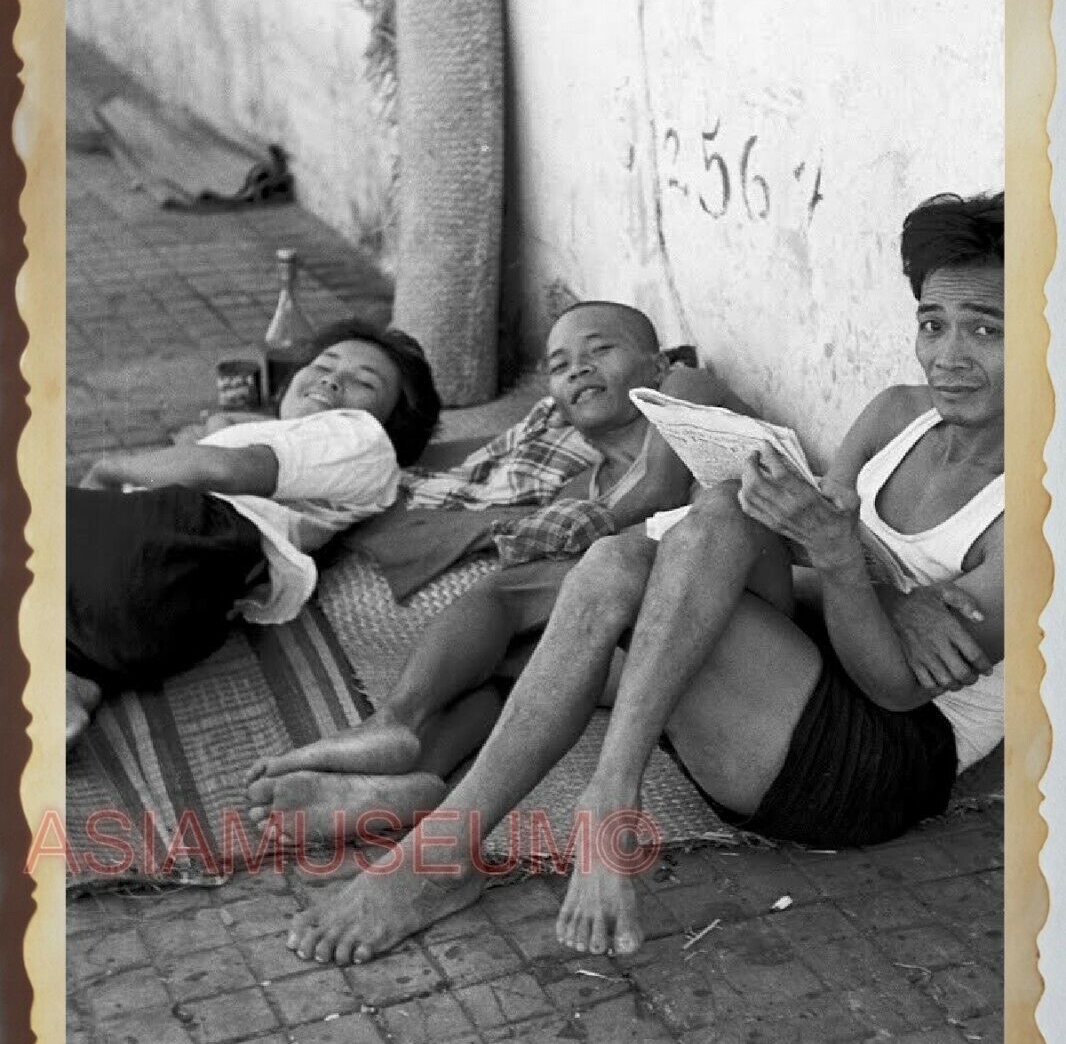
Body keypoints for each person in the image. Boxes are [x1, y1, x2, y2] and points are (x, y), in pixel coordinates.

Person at [282, 191, 1005, 967]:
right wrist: (884, 592)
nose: (948, 356)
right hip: (804, 675)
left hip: (872, 762)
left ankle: (573, 796)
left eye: (987, 329)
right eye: (934, 323)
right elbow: (811, 553)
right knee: (635, 553)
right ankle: (476, 830)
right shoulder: (899, 413)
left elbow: (897, 687)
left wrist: (839, 564)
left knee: (647, 577)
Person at [245, 301, 734, 839]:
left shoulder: (687, 388)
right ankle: (421, 775)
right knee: (507, 664)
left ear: (657, 363)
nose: (579, 369)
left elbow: (662, 486)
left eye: (601, 349)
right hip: (659, 649)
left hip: (734, 614)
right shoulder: (582, 486)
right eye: (560, 365)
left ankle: (396, 721)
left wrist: (592, 523)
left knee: (503, 595)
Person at [66, 319, 441, 749]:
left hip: (174, 537)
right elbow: (239, 443)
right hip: (173, 612)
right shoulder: (302, 442)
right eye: (324, 364)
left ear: (393, 424)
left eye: (364, 382)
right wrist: (224, 425)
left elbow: (224, 469)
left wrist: (109, 468)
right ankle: (72, 690)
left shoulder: (360, 434)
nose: (333, 381)